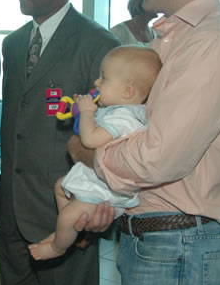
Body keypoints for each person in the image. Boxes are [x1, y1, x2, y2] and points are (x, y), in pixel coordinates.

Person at [69, 0, 220, 285]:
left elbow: (158, 158)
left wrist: (87, 151)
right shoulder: (170, 42)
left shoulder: (211, 43)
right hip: (161, 238)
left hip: (179, 244)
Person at [0, 0, 120, 285]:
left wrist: (97, 211)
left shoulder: (97, 44)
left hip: (65, 210)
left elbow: (112, 136)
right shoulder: (15, 44)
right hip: (12, 208)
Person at [29, 46, 162, 260]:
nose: (96, 83)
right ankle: (67, 227)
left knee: (68, 215)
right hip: (94, 178)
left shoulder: (125, 119)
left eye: (103, 78)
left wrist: (88, 112)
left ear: (127, 91)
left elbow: (90, 140)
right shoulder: (118, 110)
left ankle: (58, 246)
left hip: (103, 189)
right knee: (59, 188)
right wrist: (83, 112)